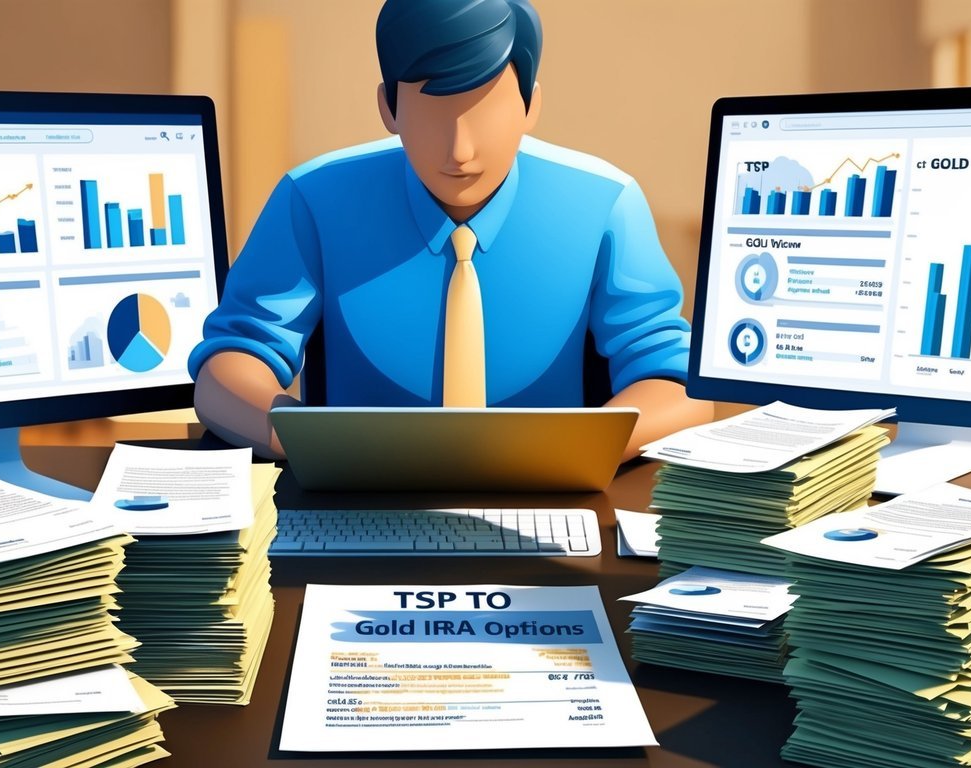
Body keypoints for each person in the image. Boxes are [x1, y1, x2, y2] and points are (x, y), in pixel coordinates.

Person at [191, 0, 713, 460]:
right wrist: (314, 446)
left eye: (485, 108)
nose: (459, 150)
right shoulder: (313, 200)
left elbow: (676, 383)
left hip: (555, 511)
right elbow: (227, 369)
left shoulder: (606, 204)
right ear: (388, 108)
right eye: (431, 109)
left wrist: (578, 453)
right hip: (356, 510)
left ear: (532, 105)